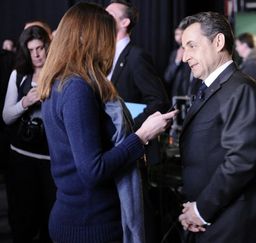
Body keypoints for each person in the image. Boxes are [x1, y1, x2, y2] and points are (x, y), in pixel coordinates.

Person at [37, 3, 176, 242]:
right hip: (90, 224)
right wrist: (141, 136)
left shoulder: (61, 81)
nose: (110, 44)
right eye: (106, 36)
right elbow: (93, 171)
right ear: (90, 38)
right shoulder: (77, 88)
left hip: (79, 217)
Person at [178, 12, 256, 243]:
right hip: (214, 218)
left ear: (218, 42)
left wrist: (201, 210)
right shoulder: (212, 87)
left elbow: (241, 160)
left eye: (192, 46)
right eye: (184, 48)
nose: (185, 57)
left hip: (235, 222)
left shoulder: (239, 88)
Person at [2, 25, 55, 243]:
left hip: (51, 160)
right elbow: (6, 116)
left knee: (49, 222)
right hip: (21, 158)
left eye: (40, 48)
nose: (36, 54)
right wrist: (26, 102)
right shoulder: (19, 75)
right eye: (31, 49)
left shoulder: (59, 74)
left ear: (47, 47)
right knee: (22, 221)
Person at [105, 0, 169, 130]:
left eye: (109, 15)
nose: (102, 18)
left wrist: (131, 127)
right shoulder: (102, 54)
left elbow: (159, 101)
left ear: (125, 22)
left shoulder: (136, 56)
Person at [164, 27, 200, 98]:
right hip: (177, 95)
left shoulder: (195, 52)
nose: (179, 37)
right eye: (177, 34)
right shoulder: (174, 54)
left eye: (182, 34)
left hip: (193, 94)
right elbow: (167, 77)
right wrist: (177, 60)